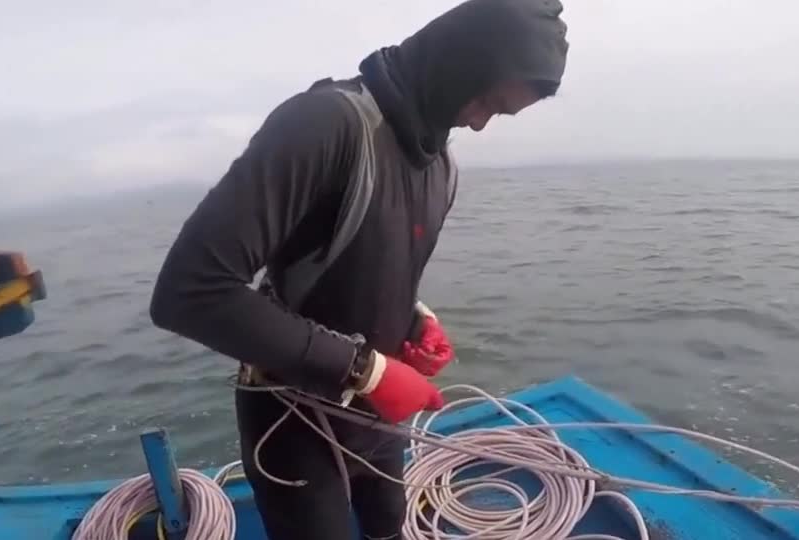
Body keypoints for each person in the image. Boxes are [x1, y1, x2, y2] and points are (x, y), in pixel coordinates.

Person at [149, 0, 569, 537]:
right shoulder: (324, 125)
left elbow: (361, 261)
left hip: (378, 421)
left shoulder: (440, 165)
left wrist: (416, 321)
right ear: (462, 59)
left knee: (389, 530)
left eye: (500, 114)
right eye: (486, 99)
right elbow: (189, 293)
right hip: (293, 422)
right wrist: (366, 371)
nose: (481, 123)